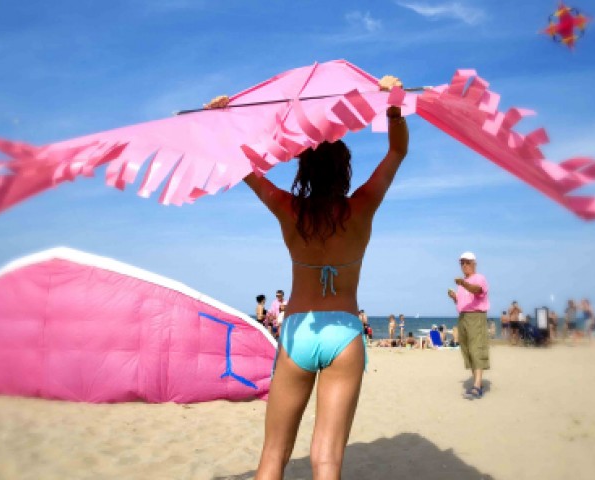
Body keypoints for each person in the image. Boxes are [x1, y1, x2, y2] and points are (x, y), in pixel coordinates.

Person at [205, 74, 408, 479]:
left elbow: (241, 168)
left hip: (298, 331)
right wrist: (393, 105)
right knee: (327, 460)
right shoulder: (362, 208)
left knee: (273, 457)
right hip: (345, 334)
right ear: (345, 171)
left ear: (305, 170)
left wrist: (222, 122)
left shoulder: (288, 209)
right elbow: (397, 150)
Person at [447, 251, 490, 400]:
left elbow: (477, 290)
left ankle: (477, 386)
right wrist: (454, 297)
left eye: (467, 262)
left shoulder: (479, 278)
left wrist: (463, 283)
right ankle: (477, 383)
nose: (464, 265)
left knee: (476, 348)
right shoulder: (463, 283)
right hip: (463, 316)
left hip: (476, 316)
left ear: (474, 264)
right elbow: (462, 302)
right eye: (462, 263)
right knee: (467, 350)